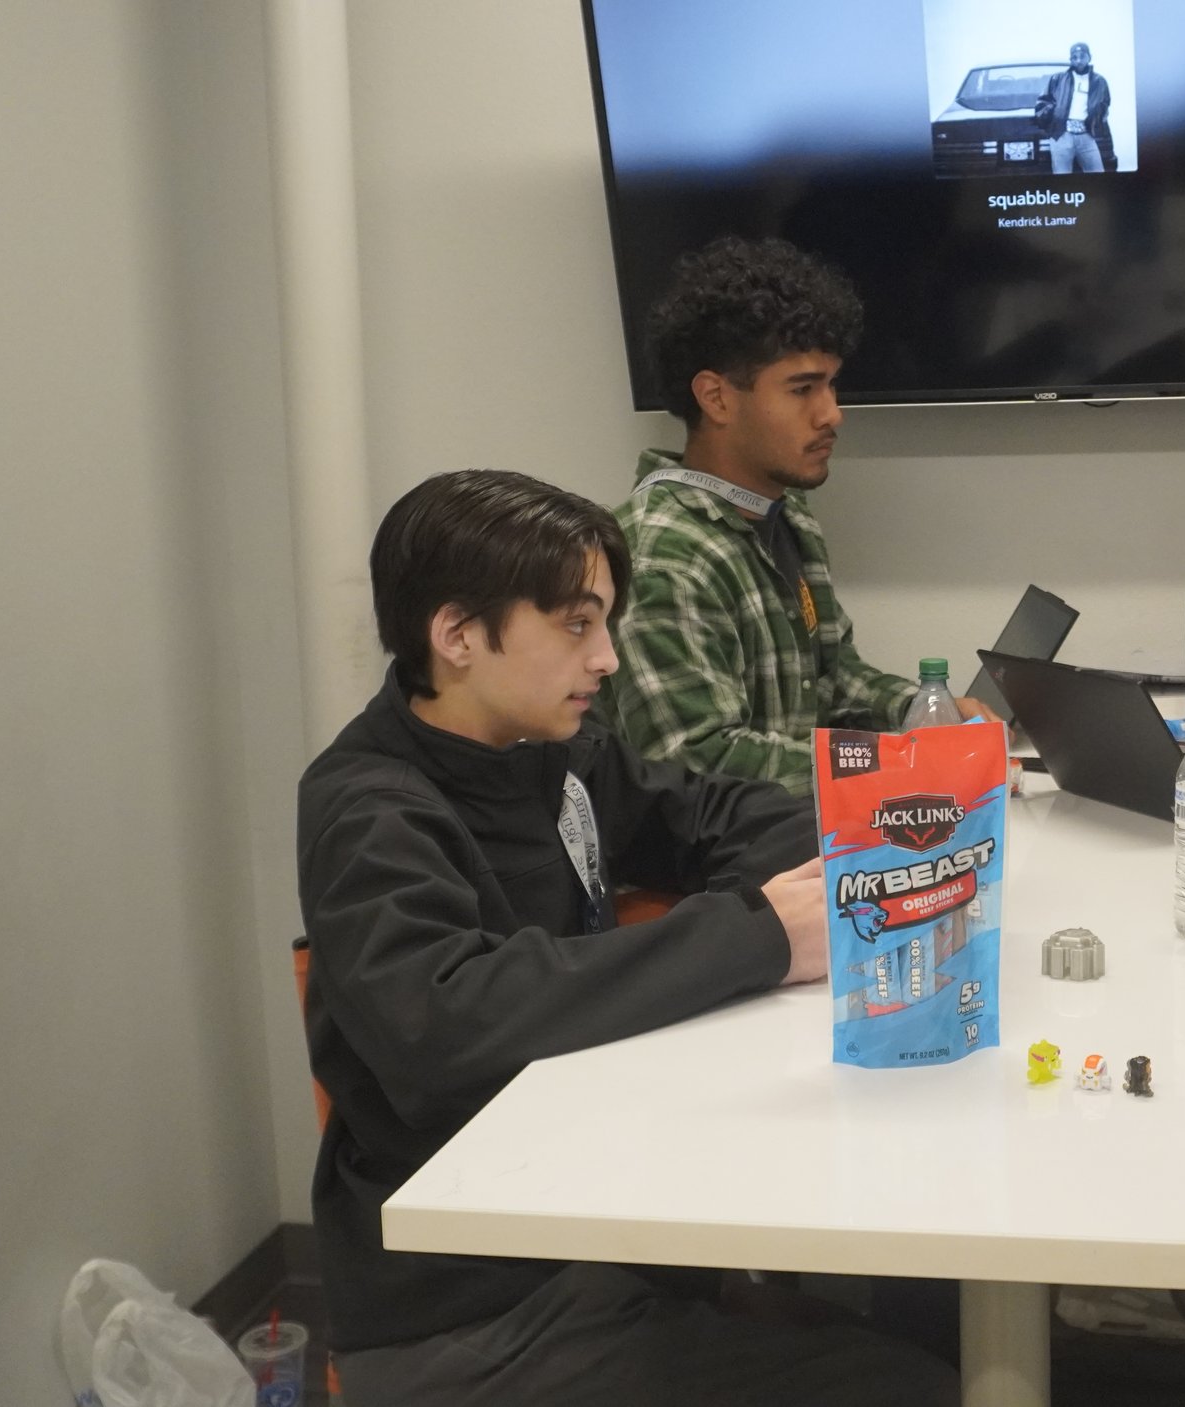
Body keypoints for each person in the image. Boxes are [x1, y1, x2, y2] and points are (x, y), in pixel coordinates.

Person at [298, 469, 955, 1406]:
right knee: (922, 1389)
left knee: (921, 1305)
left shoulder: (550, 751)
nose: (607, 658)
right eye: (575, 625)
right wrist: (757, 935)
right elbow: (447, 1020)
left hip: (597, 1228)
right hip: (475, 1314)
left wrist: (850, 853)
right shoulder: (368, 812)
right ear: (455, 637)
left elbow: (720, 812)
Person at [608, 236, 981, 793]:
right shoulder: (663, 553)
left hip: (797, 836)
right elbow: (694, 755)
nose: (832, 414)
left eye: (830, 385)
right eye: (802, 389)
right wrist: (894, 764)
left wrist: (923, 714)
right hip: (718, 869)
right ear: (716, 398)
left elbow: (831, 679)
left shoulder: (787, 515)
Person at [1036, 42, 1114, 173]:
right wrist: (1053, 121)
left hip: (1087, 136)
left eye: (1082, 56)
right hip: (1061, 136)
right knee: (1062, 176)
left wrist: (1097, 121)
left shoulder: (1099, 81)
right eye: (1074, 57)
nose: (1079, 60)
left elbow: (1105, 104)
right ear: (1070, 59)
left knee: (1097, 172)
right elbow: (1042, 103)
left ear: (1089, 57)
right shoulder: (1058, 79)